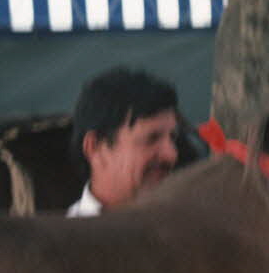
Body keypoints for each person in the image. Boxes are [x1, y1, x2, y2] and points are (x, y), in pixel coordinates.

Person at [67, 67, 201, 217]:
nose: (171, 155)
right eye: (151, 139)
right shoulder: (62, 238)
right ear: (96, 147)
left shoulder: (189, 231)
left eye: (173, 138)